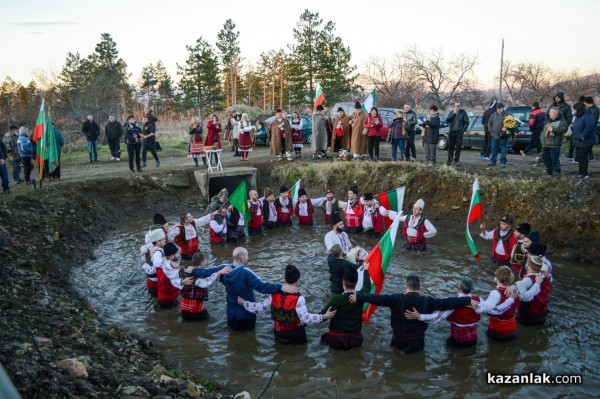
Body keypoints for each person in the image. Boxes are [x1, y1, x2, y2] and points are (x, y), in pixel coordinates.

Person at [352, 274, 471, 354]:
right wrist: (468, 300)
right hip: (418, 343)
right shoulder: (428, 301)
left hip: (398, 342)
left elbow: (376, 299)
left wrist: (359, 296)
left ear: (406, 286)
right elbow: (448, 303)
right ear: (419, 287)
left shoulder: (396, 299)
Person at [239, 264, 336, 345]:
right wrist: (324, 316)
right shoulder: (299, 298)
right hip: (295, 333)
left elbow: (259, 308)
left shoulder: (274, 294)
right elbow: (305, 318)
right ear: (298, 280)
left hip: (278, 332)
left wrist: (243, 302)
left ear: (285, 279)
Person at [218, 247, 296, 331]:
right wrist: (281, 287)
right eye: (247, 256)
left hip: (231, 313)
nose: (248, 258)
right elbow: (262, 286)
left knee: (232, 336)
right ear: (242, 258)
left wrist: (218, 273)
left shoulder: (223, 271)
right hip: (246, 314)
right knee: (249, 338)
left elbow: (206, 273)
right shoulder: (246, 272)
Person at [404, 277, 480, 348]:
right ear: (471, 289)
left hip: (458, 341)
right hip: (473, 339)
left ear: (459, 288)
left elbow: (435, 317)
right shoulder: (479, 301)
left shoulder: (452, 306)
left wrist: (419, 316)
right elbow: (489, 307)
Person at [321, 265, 371, 350]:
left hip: (337, 340)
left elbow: (322, 316)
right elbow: (367, 286)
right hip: (356, 338)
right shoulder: (361, 296)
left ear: (343, 283)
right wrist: (366, 270)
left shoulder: (337, 299)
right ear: (356, 282)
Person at [179, 253, 232, 321]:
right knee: (208, 320)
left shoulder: (183, 272)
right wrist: (219, 273)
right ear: (202, 262)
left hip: (183, 310)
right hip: (194, 311)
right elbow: (207, 282)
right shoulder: (199, 278)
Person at [473, 266, 519, 341]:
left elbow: (491, 310)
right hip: (512, 330)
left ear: (497, 278)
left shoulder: (495, 293)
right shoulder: (515, 290)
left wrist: (478, 303)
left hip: (498, 331)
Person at [509, 254, 552, 325]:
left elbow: (524, 296)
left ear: (528, 266)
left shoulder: (528, 279)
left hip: (527, 316)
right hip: (542, 314)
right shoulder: (544, 276)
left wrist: (512, 288)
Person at [156, 242, 195, 308]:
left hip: (161, 296)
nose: (178, 255)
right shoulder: (175, 268)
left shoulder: (159, 265)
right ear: (171, 256)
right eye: (176, 253)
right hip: (170, 298)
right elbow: (179, 282)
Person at [546, 92, 574, 161]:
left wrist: (565, 126)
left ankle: (555, 159)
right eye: (555, 98)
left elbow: (569, 117)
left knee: (557, 142)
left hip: (561, 126)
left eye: (558, 98)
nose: (557, 99)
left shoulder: (566, 106)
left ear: (562, 98)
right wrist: (548, 123)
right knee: (549, 141)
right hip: (551, 125)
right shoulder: (552, 105)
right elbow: (546, 115)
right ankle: (548, 158)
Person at [541, 107, 568, 177]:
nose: (549, 113)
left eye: (550, 112)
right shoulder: (549, 120)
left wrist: (553, 129)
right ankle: (549, 172)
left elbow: (564, 129)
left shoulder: (562, 121)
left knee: (554, 159)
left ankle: (557, 172)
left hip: (554, 144)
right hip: (545, 144)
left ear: (555, 113)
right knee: (546, 159)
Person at [571, 102, 596, 179]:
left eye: (575, 109)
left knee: (583, 157)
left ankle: (584, 173)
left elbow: (590, 127)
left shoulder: (588, 115)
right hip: (578, 139)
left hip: (585, 141)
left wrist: (583, 135)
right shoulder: (577, 116)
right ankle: (580, 171)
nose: (574, 111)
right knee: (579, 157)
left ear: (579, 109)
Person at [141, 228, 167, 295]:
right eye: (164, 239)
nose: (165, 240)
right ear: (158, 242)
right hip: (155, 282)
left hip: (153, 281)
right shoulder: (155, 252)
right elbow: (157, 265)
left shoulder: (154, 249)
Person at [445, 102, 470, 166]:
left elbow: (467, 122)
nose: (457, 107)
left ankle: (456, 160)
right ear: (454, 106)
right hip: (452, 132)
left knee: (458, 147)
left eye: (458, 106)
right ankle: (449, 160)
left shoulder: (463, 112)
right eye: (455, 106)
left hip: (459, 132)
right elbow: (447, 120)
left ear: (460, 106)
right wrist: (453, 114)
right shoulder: (451, 112)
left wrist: (462, 131)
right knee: (450, 147)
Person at [487, 103, 509, 167]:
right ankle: (493, 161)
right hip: (494, 135)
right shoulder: (493, 115)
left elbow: (512, 123)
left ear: (503, 108)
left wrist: (506, 128)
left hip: (503, 136)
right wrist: (490, 131)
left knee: (503, 150)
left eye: (500, 108)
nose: (499, 110)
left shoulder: (507, 115)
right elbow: (489, 123)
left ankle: (503, 162)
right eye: (497, 108)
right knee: (493, 149)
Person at [584, 96, 600, 161]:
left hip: (592, 128)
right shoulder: (588, 108)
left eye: (584, 102)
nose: (584, 104)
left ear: (588, 102)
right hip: (589, 127)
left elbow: (592, 120)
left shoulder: (594, 110)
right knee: (587, 143)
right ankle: (590, 156)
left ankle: (590, 156)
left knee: (589, 143)